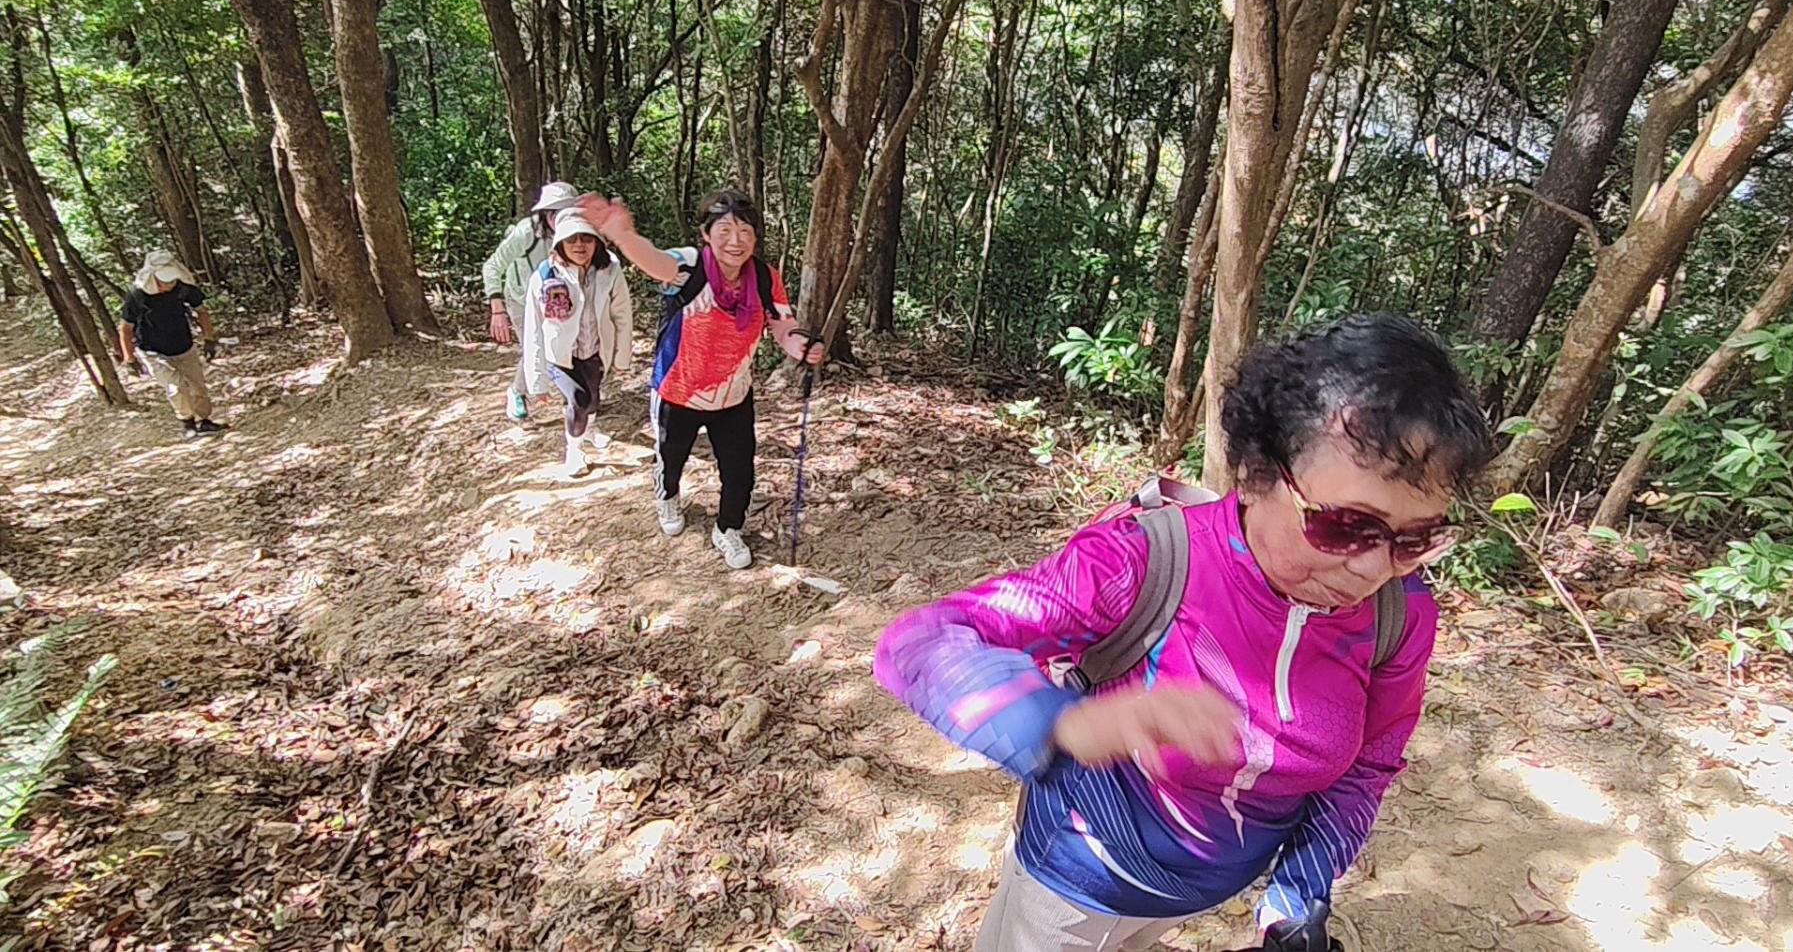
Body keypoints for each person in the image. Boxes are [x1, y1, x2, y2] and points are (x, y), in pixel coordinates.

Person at [873, 315, 1494, 952]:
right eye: (1345, 527)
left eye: (1415, 539)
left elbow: (1367, 766)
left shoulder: (1399, 616)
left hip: (1197, 895)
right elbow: (922, 642)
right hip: (1072, 885)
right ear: (1255, 472)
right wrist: (1062, 724)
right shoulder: (1142, 561)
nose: (1373, 568)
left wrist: (1295, 899)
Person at [584, 188, 824, 570]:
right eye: (724, 230)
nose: (735, 241)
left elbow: (782, 325)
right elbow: (657, 263)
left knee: (740, 470)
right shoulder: (690, 265)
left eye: (745, 231)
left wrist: (800, 346)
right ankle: (668, 496)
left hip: (733, 394)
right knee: (671, 458)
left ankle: (728, 528)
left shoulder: (764, 278)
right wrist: (623, 236)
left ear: (755, 238)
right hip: (677, 391)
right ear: (706, 234)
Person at [521, 208, 632, 477]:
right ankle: (574, 450)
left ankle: (589, 430)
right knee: (579, 399)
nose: (579, 245)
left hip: (595, 350)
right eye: (571, 239)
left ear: (597, 241)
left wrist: (621, 359)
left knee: (592, 397)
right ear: (560, 243)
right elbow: (533, 328)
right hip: (560, 356)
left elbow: (622, 315)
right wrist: (537, 381)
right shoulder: (546, 275)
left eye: (586, 238)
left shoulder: (610, 270)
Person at [483, 181, 580, 421]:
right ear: (547, 214)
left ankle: (573, 395)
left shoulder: (577, 231)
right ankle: (517, 391)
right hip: (521, 298)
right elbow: (492, 267)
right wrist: (497, 309)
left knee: (567, 343)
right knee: (536, 347)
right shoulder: (526, 233)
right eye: (559, 213)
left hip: (557, 298)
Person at [119, 250, 225, 439]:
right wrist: (129, 358)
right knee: (175, 388)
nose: (168, 285)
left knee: (198, 386)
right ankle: (188, 423)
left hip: (184, 344)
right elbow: (126, 328)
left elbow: (202, 311)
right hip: (153, 350)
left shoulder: (183, 289)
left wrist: (209, 339)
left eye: (171, 280)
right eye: (164, 281)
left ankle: (204, 421)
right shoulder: (137, 296)